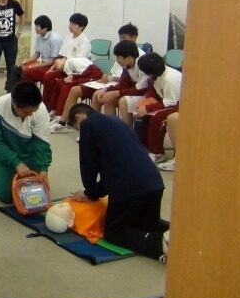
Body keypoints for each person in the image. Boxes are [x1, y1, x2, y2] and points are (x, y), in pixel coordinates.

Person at [68, 103, 168, 261]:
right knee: (148, 224)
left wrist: (90, 193)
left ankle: (158, 245)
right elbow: (114, 167)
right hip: (154, 182)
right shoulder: (117, 121)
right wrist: (96, 192)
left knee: (114, 232)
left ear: (79, 117)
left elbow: (89, 164)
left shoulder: (88, 124)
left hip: (129, 188)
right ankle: (181, 236)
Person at [51, 40, 147, 131]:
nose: (117, 61)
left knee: (122, 101)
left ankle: (127, 133)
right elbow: (122, 84)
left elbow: (140, 89)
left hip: (146, 94)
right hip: (133, 91)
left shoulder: (142, 64)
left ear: (129, 57)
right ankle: (106, 130)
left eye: (118, 57)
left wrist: (116, 93)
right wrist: (106, 90)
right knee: (105, 97)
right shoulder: (127, 66)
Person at [0, 81, 51, 203]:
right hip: (6, 156)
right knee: (6, 197)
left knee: (37, 193)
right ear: (14, 104)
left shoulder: (40, 109)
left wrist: (43, 168)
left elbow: (42, 142)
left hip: (31, 154)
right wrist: (16, 162)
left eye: (33, 111)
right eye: (26, 112)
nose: (31, 114)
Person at [119, 52, 182, 162]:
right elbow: (153, 92)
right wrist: (145, 104)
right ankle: (143, 146)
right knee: (142, 115)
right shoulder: (158, 75)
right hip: (168, 101)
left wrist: (148, 108)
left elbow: (171, 102)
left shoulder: (170, 79)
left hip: (179, 105)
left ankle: (157, 153)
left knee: (157, 118)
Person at [40, 13, 91, 114]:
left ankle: (59, 112)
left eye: (73, 24)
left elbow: (80, 63)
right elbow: (61, 55)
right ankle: (47, 106)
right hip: (63, 68)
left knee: (61, 83)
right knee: (48, 76)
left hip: (76, 73)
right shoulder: (68, 37)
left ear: (81, 27)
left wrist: (71, 74)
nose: (70, 26)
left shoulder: (84, 41)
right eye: (70, 23)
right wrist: (53, 67)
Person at [19, 15, 63, 83]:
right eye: (35, 26)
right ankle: (14, 91)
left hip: (52, 66)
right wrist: (27, 60)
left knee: (27, 72)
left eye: (37, 26)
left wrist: (36, 66)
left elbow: (53, 61)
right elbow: (37, 54)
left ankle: (30, 92)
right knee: (19, 68)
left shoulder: (55, 39)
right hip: (43, 63)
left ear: (45, 28)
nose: (35, 28)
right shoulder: (39, 36)